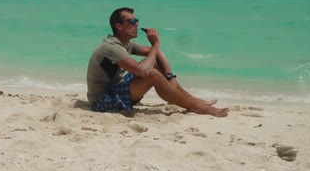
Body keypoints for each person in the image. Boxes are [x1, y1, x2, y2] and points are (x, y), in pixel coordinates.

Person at [86, 7, 229, 117]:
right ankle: (197, 107)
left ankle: (192, 100)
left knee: (153, 62)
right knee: (152, 73)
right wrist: (155, 44)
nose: (136, 24)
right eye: (132, 22)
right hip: (102, 100)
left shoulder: (126, 43)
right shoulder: (111, 47)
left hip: (115, 89)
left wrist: (169, 76)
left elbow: (157, 54)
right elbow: (142, 71)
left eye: (137, 21)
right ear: (118, 26)